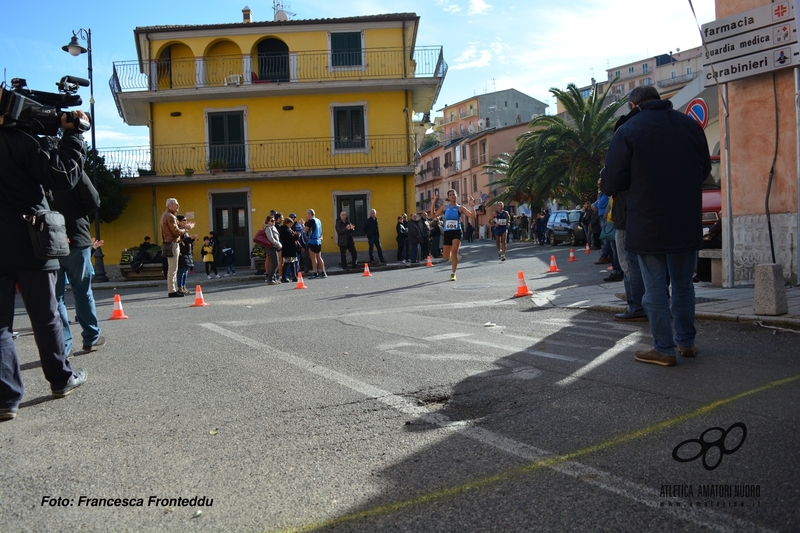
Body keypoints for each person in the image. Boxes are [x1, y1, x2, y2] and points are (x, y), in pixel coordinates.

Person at [603, 85, 711, 367]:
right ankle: (686, 343)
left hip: (648, 221)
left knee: (654, 289)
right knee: (684, 285)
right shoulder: (689, 125)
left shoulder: (628, 130)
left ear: (634, 104)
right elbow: (704, 171)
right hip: (686, 220)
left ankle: (663, 348)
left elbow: (613, 182)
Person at [0, 109, 91, 420]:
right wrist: (74, 135)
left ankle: (5, 399)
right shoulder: (22, 140)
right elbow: (63, 176)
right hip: (32, 241)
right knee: (45, 314)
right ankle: (61, 379)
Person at [51, 169, 104, 355]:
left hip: (49, 241)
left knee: (55, 297)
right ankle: (91, 337)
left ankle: (62, 346)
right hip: (76, 237)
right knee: (82, 292)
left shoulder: (37, 169)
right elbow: (93, 200)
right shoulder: (72, 169)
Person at [430, 189, 476, 281]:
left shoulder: (460, 208)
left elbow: (473, 216)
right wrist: (433, 203)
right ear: (448, 197)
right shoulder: (444, 207)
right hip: (447, 232)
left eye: (454, 194)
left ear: (456, 196)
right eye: (450, 195)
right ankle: (451, 256)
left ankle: (453, 273)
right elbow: (433, 215)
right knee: (446, 256)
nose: (452, 196)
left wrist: (472, 206)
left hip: (457, 231)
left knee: (455, 252)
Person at [161, 198, 194, 298]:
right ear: (170, 206)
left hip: (168, 243)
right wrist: (186, 228)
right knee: (173, 268)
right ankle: (172, 291)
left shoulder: (164, 215)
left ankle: (173, 289)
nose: (178, 206)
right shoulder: (170, 216)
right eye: (176, 205)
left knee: (173, 268)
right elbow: (176, 232)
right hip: (172, 243)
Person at [176, 215, 197, 294]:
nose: (185, 221)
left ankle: (184, 286)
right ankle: (180, 287)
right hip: (182, 253)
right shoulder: (178, 230)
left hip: (187, 253)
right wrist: (189, 238)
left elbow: (187, 241)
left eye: (186, 220)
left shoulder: (185, 230)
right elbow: (181, 242)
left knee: (186, 271)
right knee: (181, 270)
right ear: (178, 221)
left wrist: (192, 239)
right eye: (183, 220)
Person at [304, 209, 327, 279]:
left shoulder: (311, 221)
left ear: (310, 214)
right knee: (319, 257)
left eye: (307, 214)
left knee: (313, 258)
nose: (306, 216)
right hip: (318, 240)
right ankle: (323, 272)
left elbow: (305, 230)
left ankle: (315, 272)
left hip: (312, 241)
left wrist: (302, 225)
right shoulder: (318, 220)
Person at [262, 215, 282, 284]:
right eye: (272, 221)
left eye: (274, 220)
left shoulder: (273, 227)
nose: (273, 222)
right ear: (268, 221)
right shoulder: (268, 228)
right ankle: (270, 279)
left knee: (275, 263)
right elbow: (271, 238)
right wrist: (278, 244)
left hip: (274, 247)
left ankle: (273, 278)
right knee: (275, 263)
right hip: (271, 247)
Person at [278, 217, 298, 282]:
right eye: (290, 224)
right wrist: (297, 236)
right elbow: (289, 239)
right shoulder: (284, 230)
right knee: (287, 263)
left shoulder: (288, 229)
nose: (291, 225)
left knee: (292, 263)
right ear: (286, 223)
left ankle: (294, 276)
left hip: (290, 249)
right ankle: (284, 277)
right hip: (288, 249)